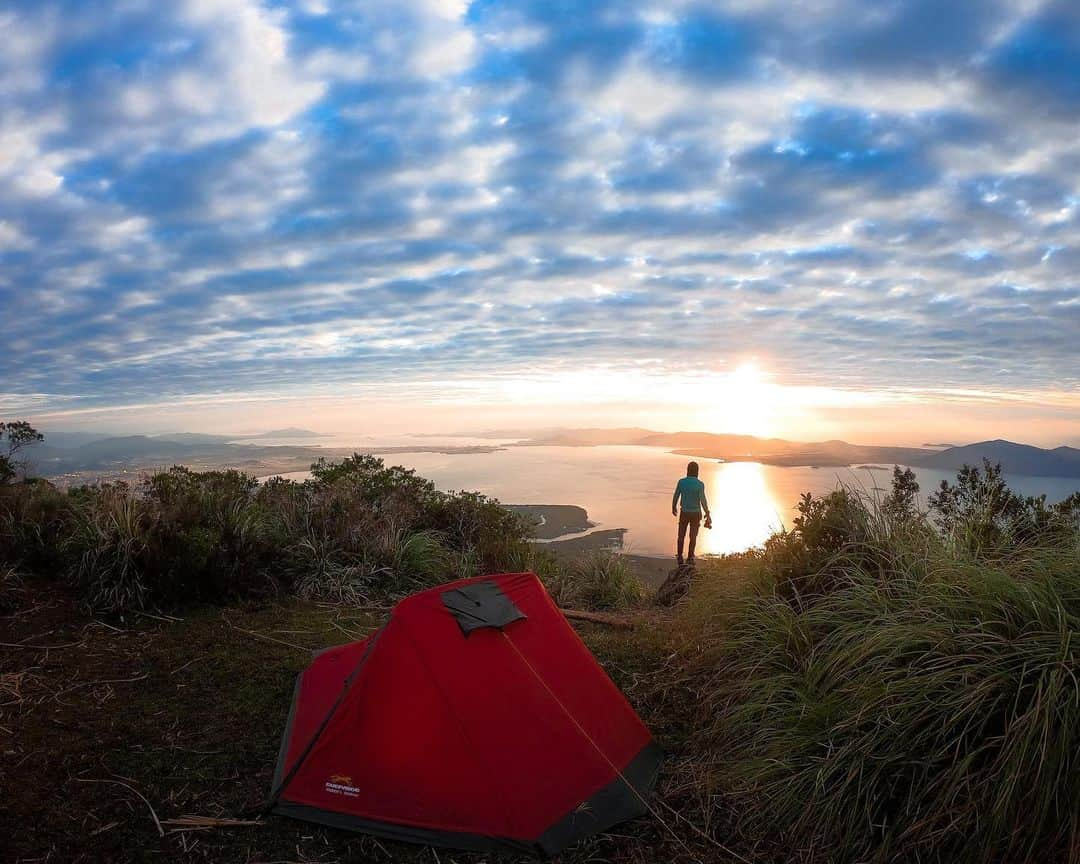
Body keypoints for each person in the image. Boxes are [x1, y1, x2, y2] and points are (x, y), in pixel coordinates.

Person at [672, 461, 710, 567]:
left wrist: (673, 507)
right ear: (697, 472)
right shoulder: (700, 484)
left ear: (687, 470)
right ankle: (690, 557)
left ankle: (679, 556)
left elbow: (676, 495)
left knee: (681, 536)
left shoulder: (681, 482)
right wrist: (707, 512)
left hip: (684, 512)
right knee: (693, 537)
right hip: (696, 514)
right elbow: (703, 500)